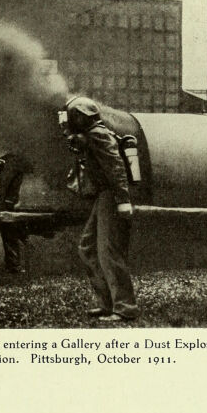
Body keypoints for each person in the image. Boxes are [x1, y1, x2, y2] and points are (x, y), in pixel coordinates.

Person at [60, 95, 137, 323]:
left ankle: (125, 308)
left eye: (70, 117)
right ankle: (107, 304)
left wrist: (123, 200)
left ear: (80, 117)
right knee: (87, 248)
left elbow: (116, 168)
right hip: (105, 197)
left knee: (108, 252)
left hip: (111, 197)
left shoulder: (98, 134)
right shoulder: (92, 134)